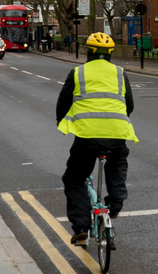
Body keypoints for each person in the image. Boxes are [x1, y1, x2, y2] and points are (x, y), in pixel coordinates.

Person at [57, 32, 137, 246]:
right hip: (116, 133)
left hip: (87, 136)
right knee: (117, 164)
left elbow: (63, 103)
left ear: (89, 51)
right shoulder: (121, 73)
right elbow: (129, 105)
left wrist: (63, 124)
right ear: (110, 53)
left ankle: (81, 228)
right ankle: (115, 205)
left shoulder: (78, 72)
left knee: (74, 178)